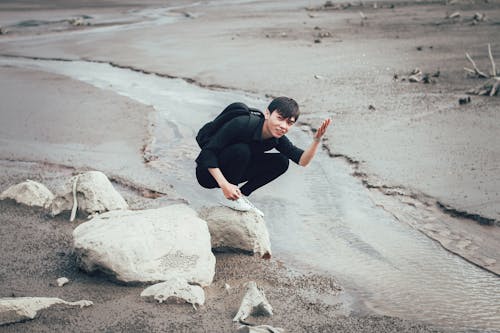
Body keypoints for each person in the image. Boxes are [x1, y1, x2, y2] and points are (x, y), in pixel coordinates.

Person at [195, 96, 331, 216]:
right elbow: (207, 153)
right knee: (242, 150)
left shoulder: (277, 138)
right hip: (207, 174)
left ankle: (240, 196)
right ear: (267, 113)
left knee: (282, 161)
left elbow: (302, 161)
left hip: (233, 173)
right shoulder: (242, 124)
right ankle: (235, 199)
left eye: (289, 123)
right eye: (280, 118)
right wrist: (224, 185)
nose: (283, 126)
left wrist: (317, 140)